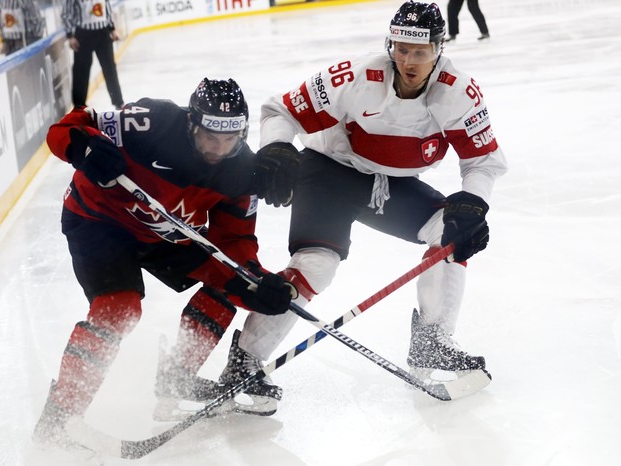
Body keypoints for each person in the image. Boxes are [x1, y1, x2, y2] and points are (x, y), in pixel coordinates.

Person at [217, 0, 507, 411]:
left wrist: (473, 204)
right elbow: (280, 108)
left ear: (439, 49)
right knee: (316, 266)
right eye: (401, 48)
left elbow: (483, 162)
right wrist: (278, 148)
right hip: (329, 171)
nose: (407, 60)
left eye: (419, 52)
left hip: (389, 184)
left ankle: (431, 341)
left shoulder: (459, 93)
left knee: (452, 233)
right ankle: (244, 362)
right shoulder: (354, 76)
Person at [33, 78, 298, 453]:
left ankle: (177, 379)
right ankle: (58, 418)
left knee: (235, 284)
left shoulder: (242, 172)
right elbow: (68, 126)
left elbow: (234, 243)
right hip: (99, 222)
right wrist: (83, 146)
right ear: (192, 123)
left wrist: (257, 284)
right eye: (210, 137)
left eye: (230, 139)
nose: (219, 149)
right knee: (118, 309)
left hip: (166, 234)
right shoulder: (149, 123)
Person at [61, 0, 124, 109]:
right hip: (83, 34)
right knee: (81, 71)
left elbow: (107, 8)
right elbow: (66, 14)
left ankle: (118, 102)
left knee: (110, 68)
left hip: (103, 33)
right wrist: (70, 35)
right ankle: (79, 106)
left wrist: (112, 29)